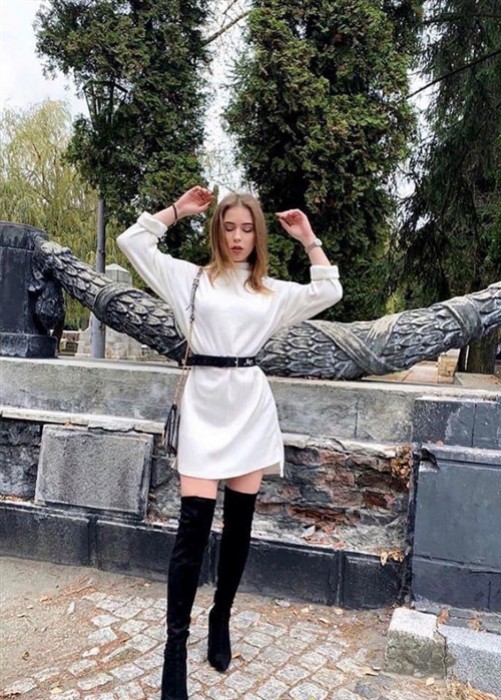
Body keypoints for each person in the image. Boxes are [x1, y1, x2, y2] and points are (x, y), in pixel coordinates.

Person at [117, 186, 343, 700]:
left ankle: (221, 617)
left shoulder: (271, 292)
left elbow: (329, 290)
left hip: (249, 408)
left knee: (239, 528)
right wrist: (177, 211)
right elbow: (133, 243)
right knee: (191, 531)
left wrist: (308, 238)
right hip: (202, 404)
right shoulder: (188, 279)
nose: (237, 237)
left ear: (257, 235)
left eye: (246, 229)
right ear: (216, 231)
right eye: (228, 227)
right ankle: (175, 649)